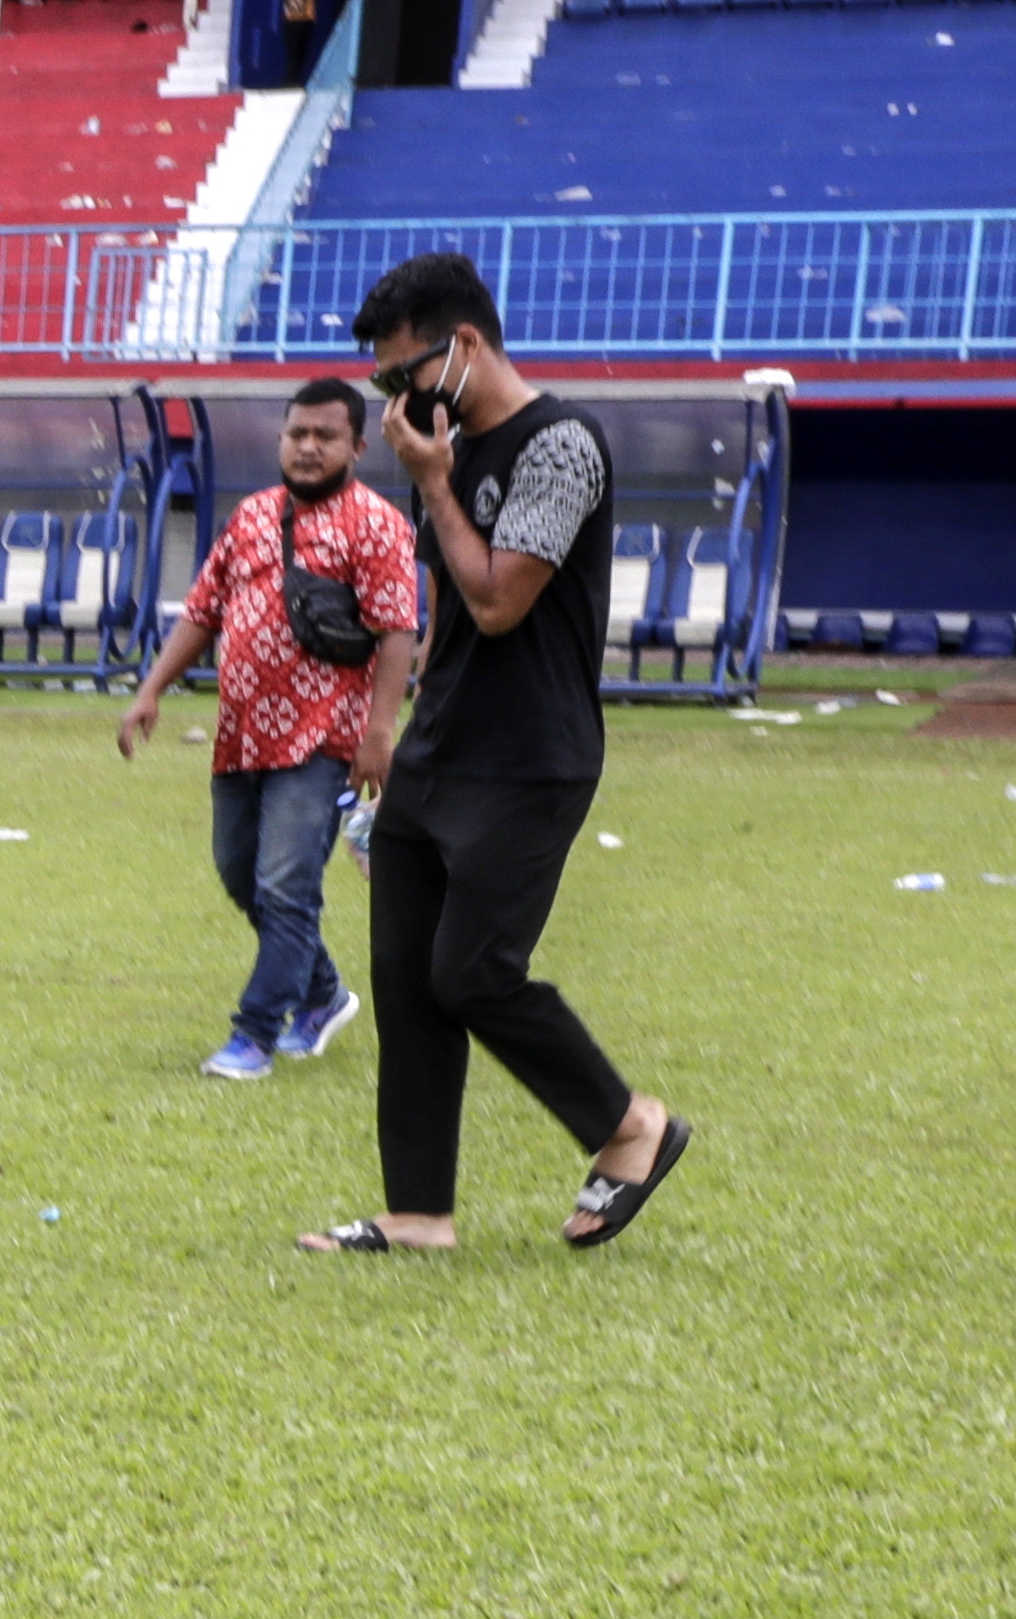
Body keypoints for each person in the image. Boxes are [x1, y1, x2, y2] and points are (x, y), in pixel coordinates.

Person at [299, 252, 695, 1256]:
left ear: (464, 345)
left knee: (472, 972)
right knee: (403, 977)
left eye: (404, 374)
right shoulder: (454, 445)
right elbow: (454, 622)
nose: (394, 399)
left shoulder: (561, 445)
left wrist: (432, 485)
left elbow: (497, 598)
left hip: (531, 758)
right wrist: (390, 719)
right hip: (442, 748)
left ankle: (629, 1123)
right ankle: (418, 1211)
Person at [115, 377, 421, 1082]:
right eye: (297, 434)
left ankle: (252, 1035)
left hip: (322, 739)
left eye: (325, 436)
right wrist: (151, 689)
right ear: (280, 438)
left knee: (285, 885)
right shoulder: (251, 516)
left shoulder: (375, 524)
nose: (308, 447)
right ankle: (320, 994)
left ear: (356, 445)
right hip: (242, 734)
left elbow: (397, 630)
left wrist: (379, 730)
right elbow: (202, 609)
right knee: (238, 872)